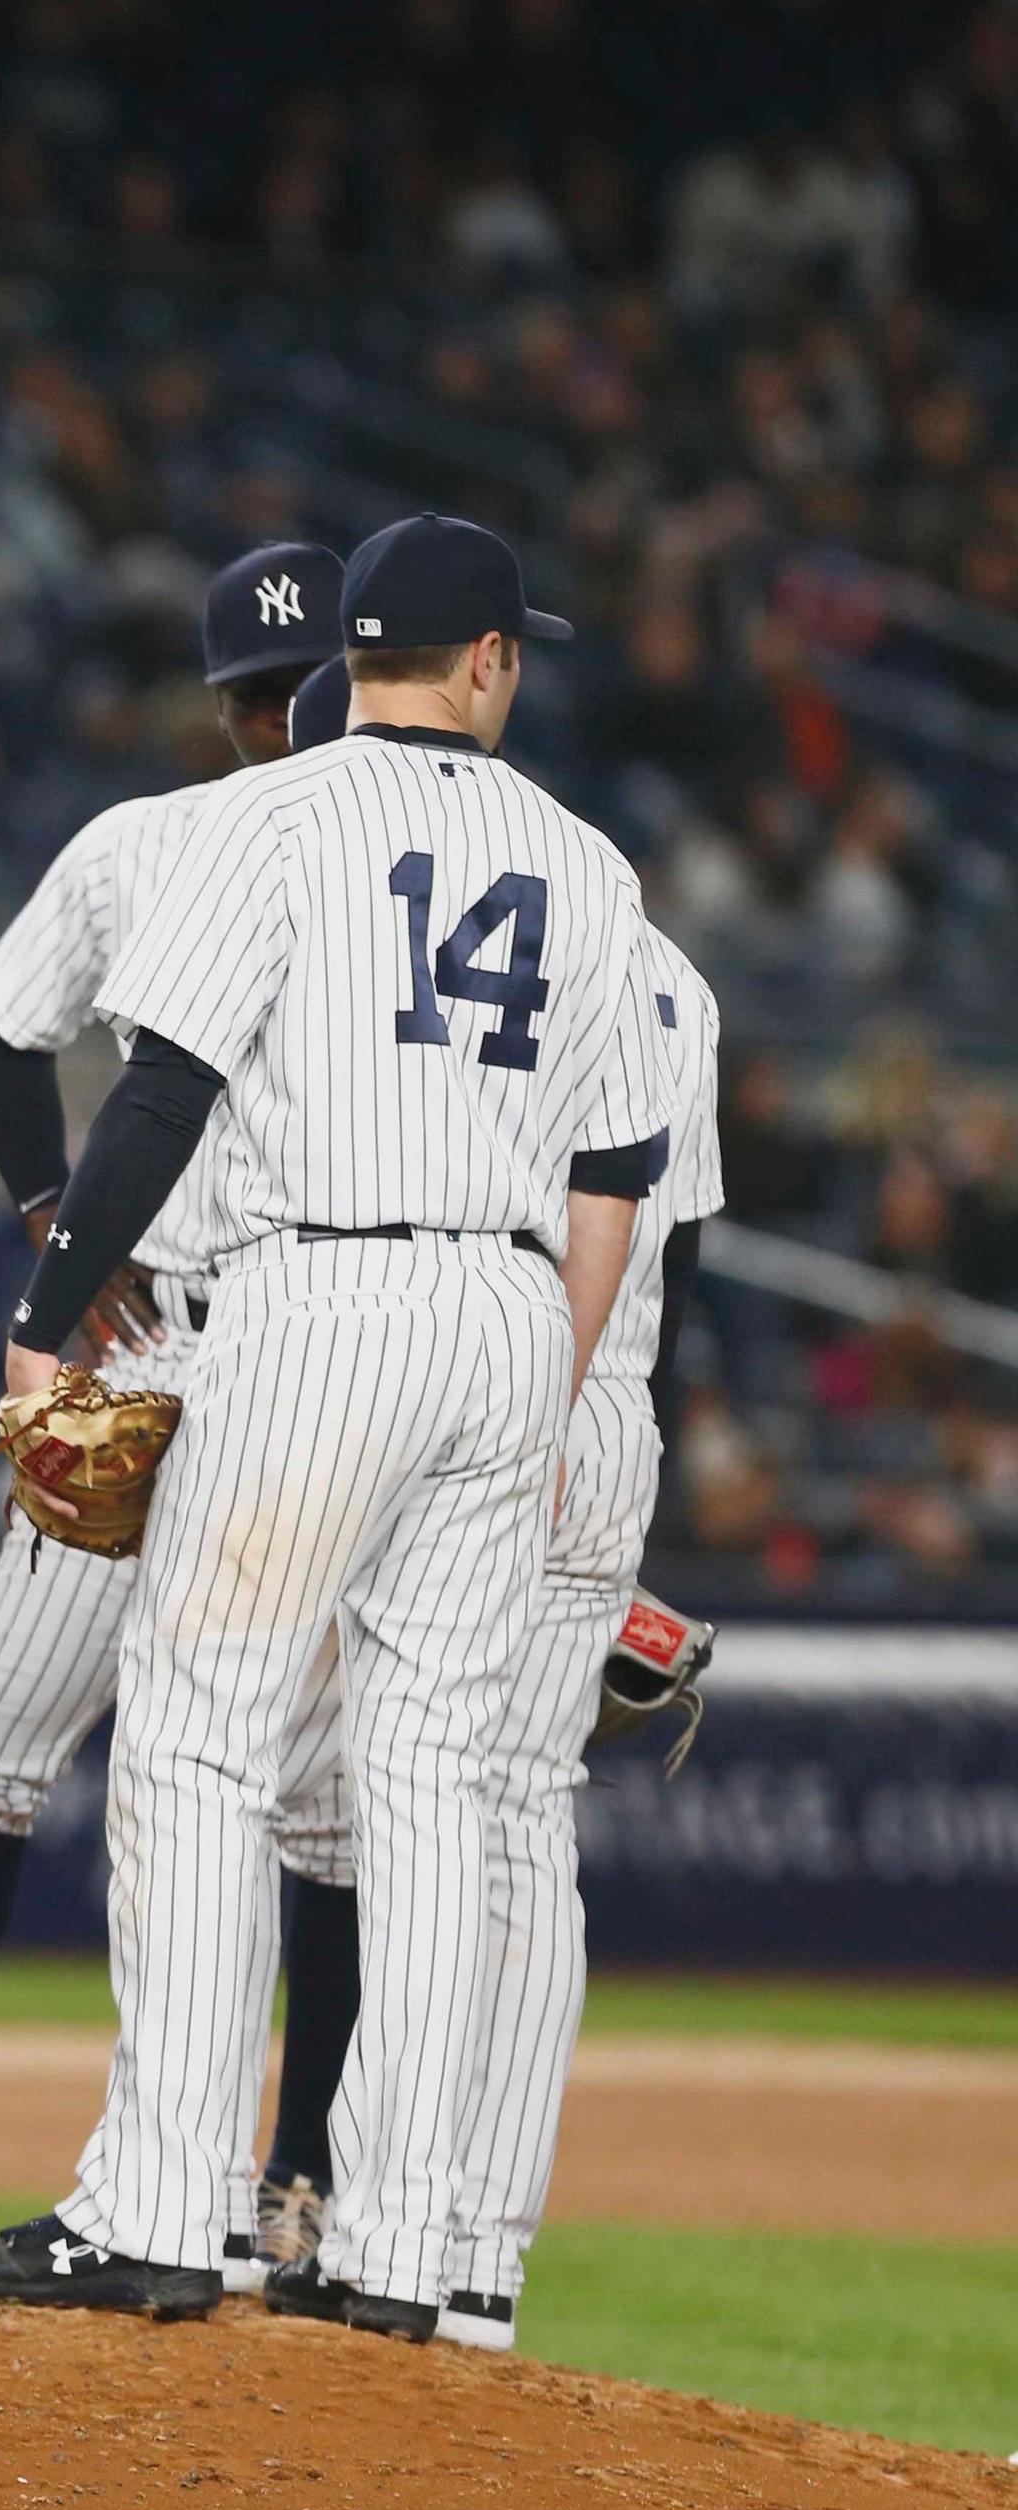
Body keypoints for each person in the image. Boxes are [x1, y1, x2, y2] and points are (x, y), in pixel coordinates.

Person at [0, 516, 669, 2330]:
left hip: (316, 1294)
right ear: (488, 660)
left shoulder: (271, 816)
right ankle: (402, 2248)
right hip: (507, 1312)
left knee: (197, 1738)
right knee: (429, 1784)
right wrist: (547, 1393)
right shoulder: (591, 864)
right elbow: (621, 1174)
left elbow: (161, 1090)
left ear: (357, 653)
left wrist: (42, 1324)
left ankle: (159, 2212)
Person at [0, 548, 366, 2277]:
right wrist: (48, 1221)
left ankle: (295, 2175)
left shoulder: (401, 856)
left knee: (309, 1796)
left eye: (306, 684)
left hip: (310, 1353)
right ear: (234, 707)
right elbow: (0, 1021)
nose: (281, 717)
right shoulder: (140, 848)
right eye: (264, 693)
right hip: (142, 1350)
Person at [445, 926, 721, 2354]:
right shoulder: (678, 974)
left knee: (432, 1805)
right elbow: (691, 1243)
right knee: (518, 1817)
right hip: (604, 1401)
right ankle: (476, 2252)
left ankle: (406, 2223)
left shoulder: (420, 902)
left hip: (486, 1371)